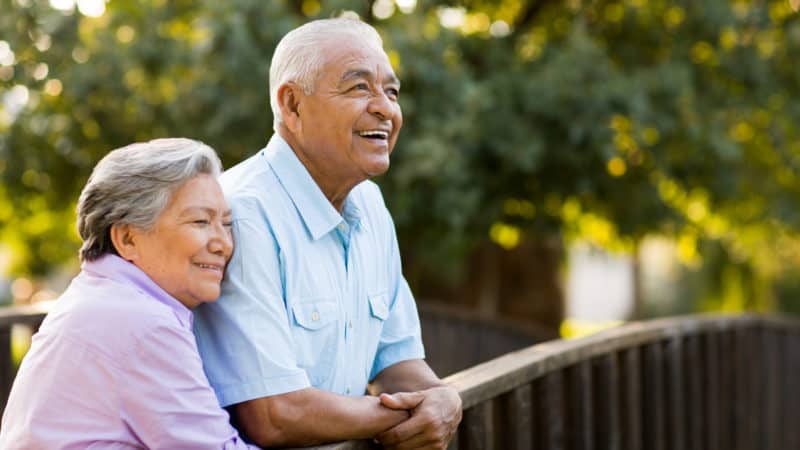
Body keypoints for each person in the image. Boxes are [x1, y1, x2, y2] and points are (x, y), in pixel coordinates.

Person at [193, 18, 462, 449]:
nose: (385, 109)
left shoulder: (371, 205)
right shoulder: (241, 213)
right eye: (359, 88)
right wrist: (401, 415)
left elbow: (399, 361)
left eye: (391, 92)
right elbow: (273, 414)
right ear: (293, 105)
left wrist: (443, 398)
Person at [0, 139, 258, 449]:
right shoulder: (140, 322)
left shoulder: (105, 296)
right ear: (127, 238)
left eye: (226, 224)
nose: (223, 243)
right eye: (200, 221)